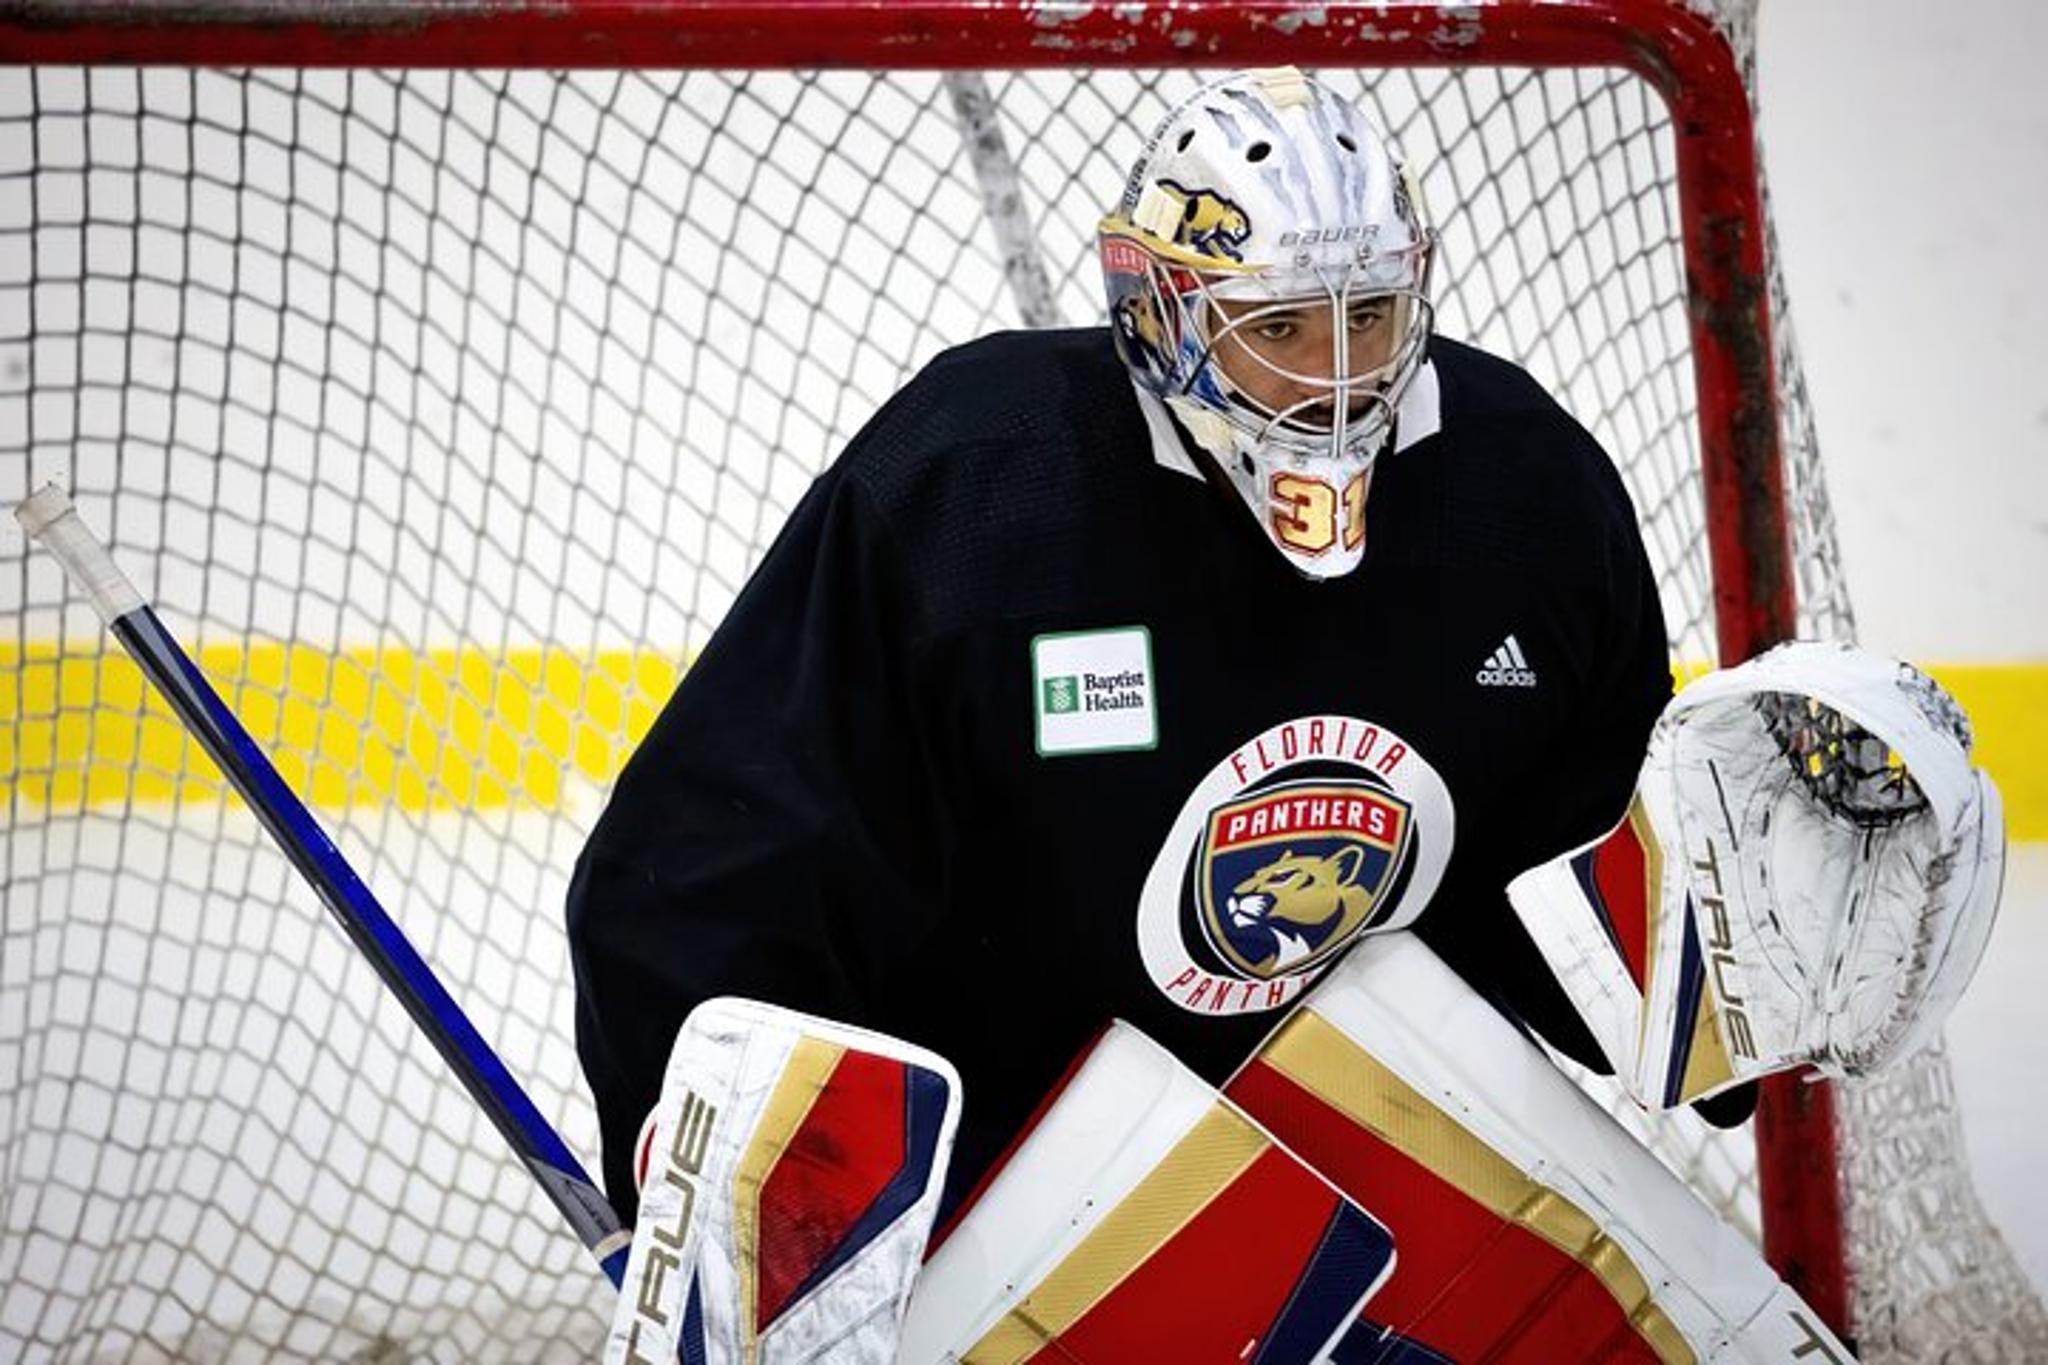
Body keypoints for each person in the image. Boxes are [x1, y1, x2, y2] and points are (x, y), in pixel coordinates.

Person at [567, 66, 1728, 1225]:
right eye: (1276, 324)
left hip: (1387, 1175)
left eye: (1365, 316)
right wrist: (732, 1187)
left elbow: (1586, 900)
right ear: (1163, 308)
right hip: (1003, 1207)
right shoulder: (973, 489)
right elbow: (715, 866)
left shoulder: (1525, 492)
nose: (1334, 382)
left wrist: (1732, 978)